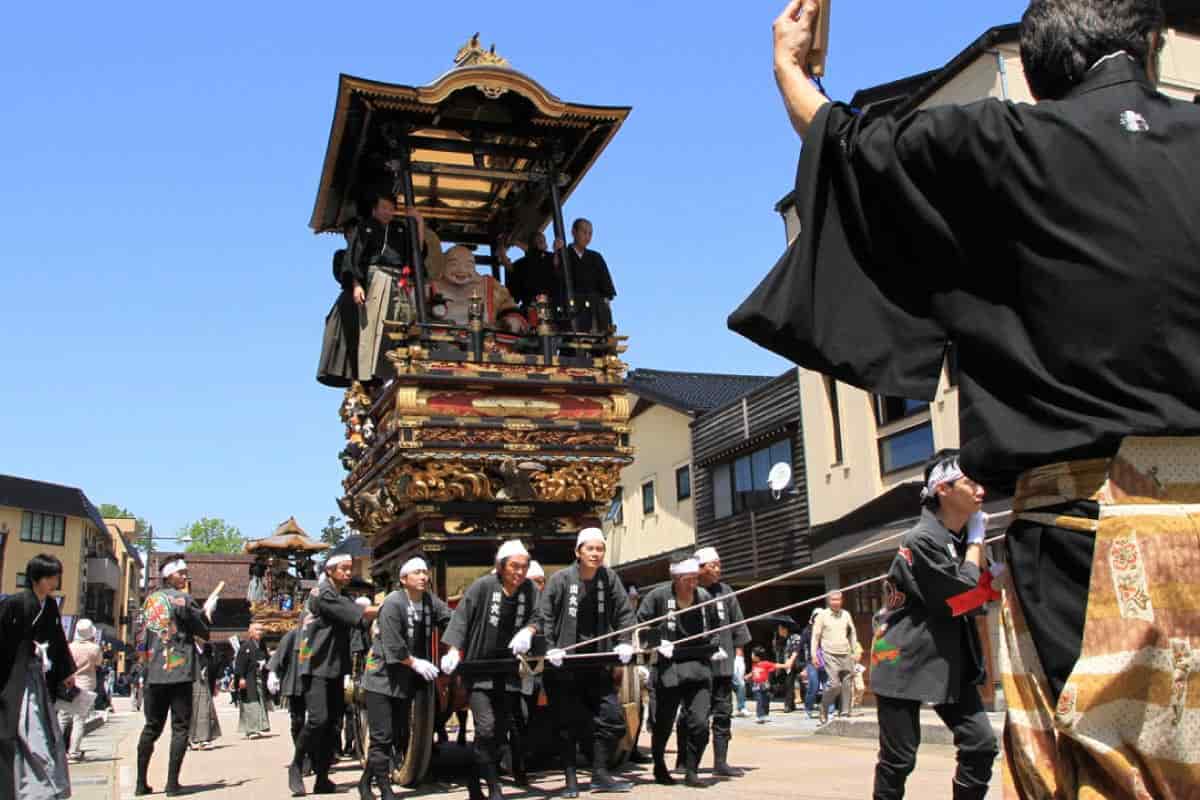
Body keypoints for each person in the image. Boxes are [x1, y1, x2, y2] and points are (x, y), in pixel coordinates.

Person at [742, 1, 1200, 795]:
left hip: (1086, 531)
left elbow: (851, 147)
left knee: (1106, 773)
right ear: (1153, 42)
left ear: (1039, 68)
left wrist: (795, 72)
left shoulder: (1005, 142)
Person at [869, 450, 998, 800]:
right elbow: (960, 596)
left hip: (946, 658)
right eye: (970, 482)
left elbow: (978, 599)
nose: (980, 490)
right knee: (899, 758)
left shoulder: (956, 540)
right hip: (901, 656)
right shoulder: (921, 539)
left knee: (980, 744)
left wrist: (980, 556)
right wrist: (975, 542)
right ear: (943, 489)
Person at [534, 527, 637, 796]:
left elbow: (625, 611)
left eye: (600, 548)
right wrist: (551, 648)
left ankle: (600, 773)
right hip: (564, 666)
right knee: (567, 726)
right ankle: (570, 780)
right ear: (578, 551)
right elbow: (543, 616)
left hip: (597, 662)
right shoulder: (560, 579)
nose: (595, 553)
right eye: (590, 549)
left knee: (613, 720)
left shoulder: (608, 577)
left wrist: (625, 640)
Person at [442, 541, 543, 800]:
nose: (519, 572)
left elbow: (541, 615)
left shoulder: (530, 589)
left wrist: (528, 631)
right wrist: (454, 650)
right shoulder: (483, 586)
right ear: (500, 566)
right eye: (514, 566)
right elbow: (461, 617)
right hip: (479, 671)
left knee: (498, 734)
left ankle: (474, 782)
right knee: (485, 728)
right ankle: (495, 788)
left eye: (524, 567)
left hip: (508, 672)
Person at [358, 557, 451, 800]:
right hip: (381, 680)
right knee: (382, 736)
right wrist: (416, 662)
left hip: (406, 681)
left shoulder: (430, 601)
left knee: (397, 735)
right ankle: (384, 788)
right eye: (417, 572)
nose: (423, 576)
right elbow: (393, 645)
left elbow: (450, 621)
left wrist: (455, 648)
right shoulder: (393, 603)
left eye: (425, 572)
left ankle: (364, 782)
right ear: (403, 579)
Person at [317, 190, 431, 387]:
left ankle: (395, 369)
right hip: (374, 280)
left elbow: (415, 251)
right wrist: (357, 285)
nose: (388, 212)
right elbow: (354, 261)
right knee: (369, 331)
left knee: (399, 326)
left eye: (391, 208)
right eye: (384, 208)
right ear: (375, 209)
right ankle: (365, 375)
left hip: (397, 281)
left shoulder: (399, 229)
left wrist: (419, 222)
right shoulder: (365, 228)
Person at [289, 554, 380, 796]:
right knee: (318, 719)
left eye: (350, 569)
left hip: (335, 666)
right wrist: (389, 607)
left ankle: (322, 777)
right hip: (315, 665)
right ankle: (297, 764)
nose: (348, 573)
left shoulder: (342, 596)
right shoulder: (323, 593)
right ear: (330, 571)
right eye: (343, 569)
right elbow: (356, 615)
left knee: (332, 724)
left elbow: (357, 620)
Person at [637, 558, 723, 787]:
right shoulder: (657, 597)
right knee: (663, 722)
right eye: (687, 580)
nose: (693, 583)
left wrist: (714, 647)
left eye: (695, 578)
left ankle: (692, 769)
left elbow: (716, 628)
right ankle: (659, 765)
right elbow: (641, 626)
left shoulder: (704, 598)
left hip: (699, 667)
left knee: (700, 723)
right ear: (675, 578)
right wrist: (656, 643)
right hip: (668, 667)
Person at [0, 554, 76, 800]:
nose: (55, 581)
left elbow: (58, 641)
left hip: (37, 675)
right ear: (37, 578)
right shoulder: (15, 603)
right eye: (51, 576)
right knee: (27, 727)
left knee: (41, 728)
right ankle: (30, 787)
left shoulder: (51, 606)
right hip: (14, 674)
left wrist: (66, 673)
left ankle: (45, 784)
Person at [135, 558, 210, 796]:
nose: (184, 577)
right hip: (179, 670)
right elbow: (203, 630)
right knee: (180, 727)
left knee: (152, 726)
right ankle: (172, 783)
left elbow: (143, 636)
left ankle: (140, 782)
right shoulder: (184, 600)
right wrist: (206, 613)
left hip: (154, 671)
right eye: (181, 573)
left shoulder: (151, 600)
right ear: (169, 576)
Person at [692, 546, 750, 777]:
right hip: (697, 667)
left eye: (719, 564)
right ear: (700, 568)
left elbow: (738, 625)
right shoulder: (690, 590)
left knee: (723, 713)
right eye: (712, 565)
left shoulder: (726, 592)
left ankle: (721, 761)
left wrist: (739, 657)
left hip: (724, 665)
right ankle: (687, 761)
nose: (718, 569)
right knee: (695, 716)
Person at [428, 245, 529, 334]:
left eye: (468, 265)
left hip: (486, 345)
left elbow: (510, 309)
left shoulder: (491, 287)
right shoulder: (428, 288)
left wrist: (509, 322)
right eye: (454, 264)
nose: (462, 270)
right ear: (443, 265)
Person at [554, 219, 616, 333]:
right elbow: (556, 278)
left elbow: (606, 287)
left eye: (590, 233)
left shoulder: (596, 257)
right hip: (572, 308)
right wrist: (556, 254)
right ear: (573, 232)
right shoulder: (564, 254)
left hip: (594, 310)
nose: (587, 237)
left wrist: (606, 308)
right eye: (584, 232)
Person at [60, 617, 102, 763]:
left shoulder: (70, 647)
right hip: (86, 683)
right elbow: (98, 662)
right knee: (79, 719)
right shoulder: (94, 648)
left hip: (69, 683)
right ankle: (74, 752)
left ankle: (57, 750)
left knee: (63, 718)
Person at [811, 592, 857, 723]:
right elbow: (815, 636)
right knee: (835, 684)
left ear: (842, 601)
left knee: (847, 683)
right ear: (828, 601)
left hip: (845, 652)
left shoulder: (846, 614)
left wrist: (855, 651)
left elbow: (852, 633)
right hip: (829, 653)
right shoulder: (822, 616)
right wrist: (814, 654)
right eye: (833, 600)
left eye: (838, 599)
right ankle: (824, 708)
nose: (836, 602)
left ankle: (845, 712)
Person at [267, 620, 308, 760]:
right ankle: (301, 755)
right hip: (296, 683)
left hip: (315, 683)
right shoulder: (292, 636)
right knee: (298, 720)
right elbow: (279, 656)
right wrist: (273, 673)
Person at [499, 232, 558, 312]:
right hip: (531, 308)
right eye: (540, 242)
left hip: (550, 306)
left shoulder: (550, 258)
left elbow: (536, 253)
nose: (545, 245)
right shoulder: (522, 264)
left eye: (542, 242)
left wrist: (514, 242)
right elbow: (509, 267)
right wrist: (502, 249)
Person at [236, 623, 270, 738]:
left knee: (260, 703)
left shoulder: (262, 646)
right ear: (250, 632)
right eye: (257, 630)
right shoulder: (245, 646)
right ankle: (251, 730)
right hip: (249, 678)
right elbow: (240, 664)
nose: (259, 632)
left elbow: (267, 659)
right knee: (251, 704)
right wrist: (241, 678)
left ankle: (260, 726)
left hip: (260, 679)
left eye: (261, 630)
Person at [189, 642, 221, 750]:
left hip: (205, 682)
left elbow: (216, 664)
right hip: (190, 682)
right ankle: (190, 739)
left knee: (205, 710)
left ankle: (204, 738)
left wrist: (216, 681)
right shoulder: (187, 646)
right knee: (192, 711)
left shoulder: (210, 647)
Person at [744, 646, 785, 724]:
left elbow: (775, 665)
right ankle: (760, 716)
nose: (751, 656)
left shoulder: (765, 664)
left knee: (766, 700)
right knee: (759, 700)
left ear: (757, 657)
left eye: (752, 654)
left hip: (765, 685)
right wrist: (747, 676)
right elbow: (753, 672)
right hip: (756, 686)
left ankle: (765, 714)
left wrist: (786, 665)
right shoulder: (754, 665)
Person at [798, 609, 823, 718]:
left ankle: (829, 710)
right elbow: (800, 648)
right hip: (811, 661)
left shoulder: (827, 630)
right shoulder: (807, 631)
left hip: (826, 660)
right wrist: (803, 666)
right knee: (814, 684)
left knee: (828, 685)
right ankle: (808, 708)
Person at [773, 623, 803, 714]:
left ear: (785, 629)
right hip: (786, 665)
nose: (779, 631)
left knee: (789, 684)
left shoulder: (795, 637)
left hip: (794, 664)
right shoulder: (782, 639)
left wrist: (790, 661)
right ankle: (791, 704)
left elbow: (796, 650)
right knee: (787, 684)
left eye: (780, 629)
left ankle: (788, 705)